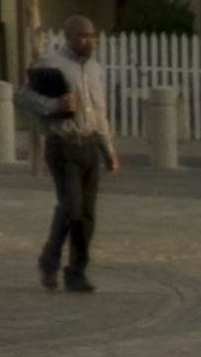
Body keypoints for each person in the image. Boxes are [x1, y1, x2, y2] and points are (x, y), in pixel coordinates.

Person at [28, 16, 118, 293]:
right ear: (68, 37)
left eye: (91, 36)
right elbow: (27, 99)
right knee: (71, 208)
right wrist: (55, 104)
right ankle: (49, 260)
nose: (88, 41)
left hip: (89, 144)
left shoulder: (94, 69)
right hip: (63, 143)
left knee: (87, 215)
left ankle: (76, 272)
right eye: (81, 36)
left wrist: (108, 149)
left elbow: (100, 112)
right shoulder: (51, 65)